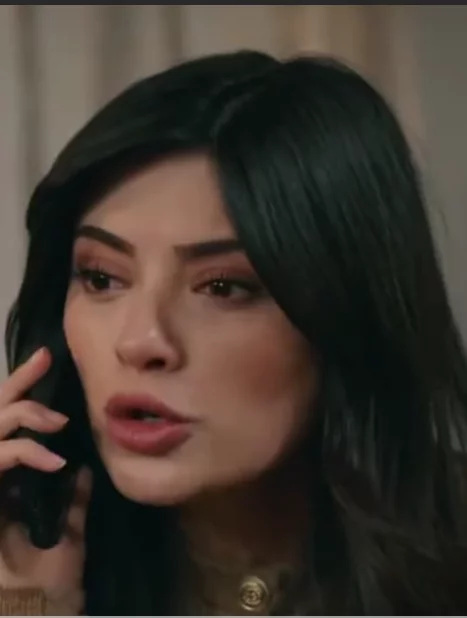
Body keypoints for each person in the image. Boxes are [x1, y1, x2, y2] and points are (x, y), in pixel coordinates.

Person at [0, 49, 466, 616]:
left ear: (346, 307)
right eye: (101, 278)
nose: (140, 341)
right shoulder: (36, 560)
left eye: (223, 287)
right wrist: (28, 605)